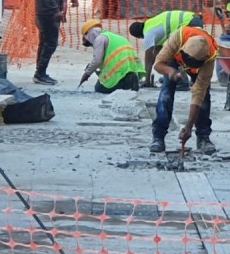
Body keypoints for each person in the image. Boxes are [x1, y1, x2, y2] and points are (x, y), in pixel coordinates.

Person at [150, 26, 218, 155]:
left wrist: (188, 127)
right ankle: (158, 137)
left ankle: (203, 137)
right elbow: (158, 64)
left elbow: (198, 93)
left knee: (204, 97)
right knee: (166, 93)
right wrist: (171, 72)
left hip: (199, 65)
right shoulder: (177, 38)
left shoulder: (209, 57)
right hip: (174, 60)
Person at [129, 10, 204, 86]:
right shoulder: (151, 24)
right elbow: (159, 53)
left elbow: (148, 60)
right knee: (185, 53)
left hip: (189, 23)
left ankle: (182, 81)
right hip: (195, 19)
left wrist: (147, 81)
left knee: (182, 53)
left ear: (138, 36)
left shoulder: (148, 33)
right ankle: (176, 76)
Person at [79, 20, 146, 94]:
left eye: (89, 42)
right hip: (132, 70)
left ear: (89, 35)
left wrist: (87, 74)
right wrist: (95, 70)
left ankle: (125, 83)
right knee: (104, 80)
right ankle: (131, 81)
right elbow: (109, 66)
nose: (92, 45)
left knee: (99, 88)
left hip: (121, 74)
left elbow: (97, 60)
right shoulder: (114, 37)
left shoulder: (99, 39)